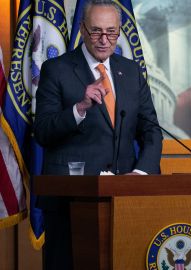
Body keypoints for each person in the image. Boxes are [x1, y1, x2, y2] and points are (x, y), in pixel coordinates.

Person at [33, 0, 163, 268]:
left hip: (123, 203)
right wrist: (79, 108)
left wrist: (139, 176)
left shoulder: (131, 71)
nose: (104, 40)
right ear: (82, 29)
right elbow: (42, 131)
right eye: (96, 32)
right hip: (70, 204)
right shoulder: (56, 69)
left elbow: (151, 130)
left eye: (111, 32)